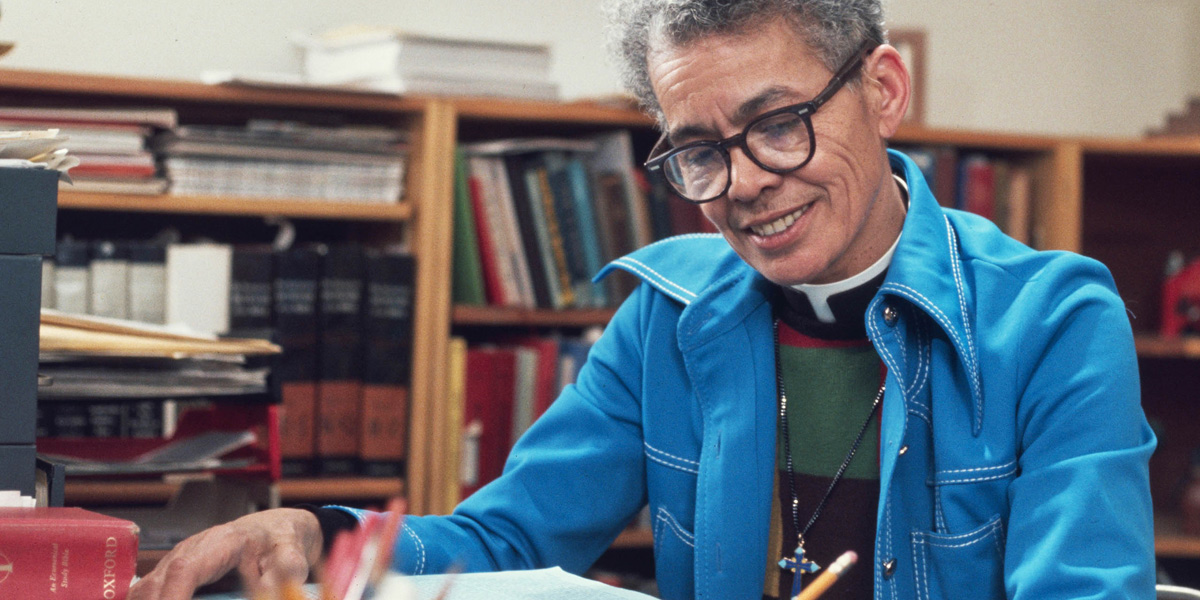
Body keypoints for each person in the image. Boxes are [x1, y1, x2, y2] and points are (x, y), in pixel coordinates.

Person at [131, 1, 1157, 598]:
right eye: (700, 150)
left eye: (780, 122)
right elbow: (508, 544)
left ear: (882, 90)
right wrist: (319, 535)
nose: (745, 182)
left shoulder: (1057, 323)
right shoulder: (666, 318)